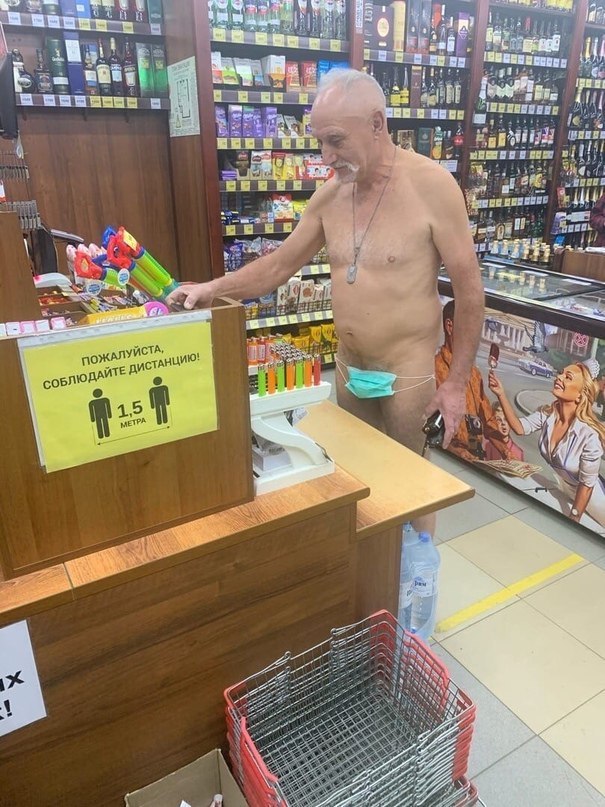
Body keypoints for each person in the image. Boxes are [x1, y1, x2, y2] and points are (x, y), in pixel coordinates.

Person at [168, 69, 484, 528]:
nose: (326, 157)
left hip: (407, 372)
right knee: (358, 481)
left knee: (410, 484)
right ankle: (371, 567)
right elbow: (276, 267)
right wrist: (211, 288)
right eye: (320, 142)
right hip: (349, 367)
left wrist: (455, 384)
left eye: (336, 140)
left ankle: (415, 568)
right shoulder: (330, 197)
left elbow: (470, 292)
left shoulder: (432, 187)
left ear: (377, 124)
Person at [489, 361, 605, 526]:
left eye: (568, 377)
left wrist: (573, 519)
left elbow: (586, 485)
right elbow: (520, 428)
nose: (559, 377)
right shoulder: (547, 414)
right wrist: (501, 394)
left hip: (595, 499)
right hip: (566, 487)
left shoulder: (589, 435)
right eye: (561, 372)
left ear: (580, 395)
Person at [435, 300, 512, 463]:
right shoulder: (434, 369)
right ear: (450, 326)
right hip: (445, 460)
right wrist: (455, 451)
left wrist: (505, 451)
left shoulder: (474, 374)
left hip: (475, 459)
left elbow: (488, 420)